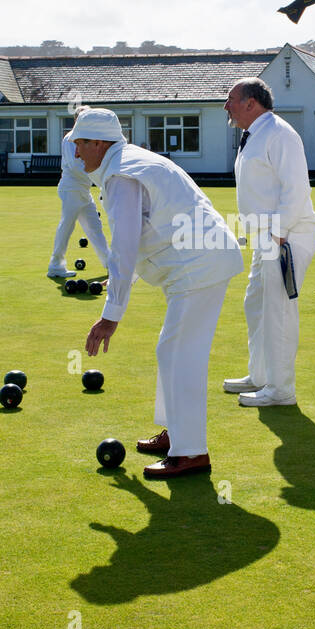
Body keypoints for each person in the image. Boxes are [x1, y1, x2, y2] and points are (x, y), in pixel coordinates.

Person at [77, 107, 243, 478]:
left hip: (198, 264)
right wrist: (123, 284)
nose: (76, 152)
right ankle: (175, 434)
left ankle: (190, 452)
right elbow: (150, 227)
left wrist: (110, 316)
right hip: (198, 260)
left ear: (99, 142)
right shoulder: (128, 162)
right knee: (173, 349)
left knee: (178, 351)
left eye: (80, 143)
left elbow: (125, 243)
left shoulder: (122, 174)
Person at [221, 78, 315, 407]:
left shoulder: (279, 133)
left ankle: (281, 390)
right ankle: (261, 376)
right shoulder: (254, 135)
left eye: (231, 99)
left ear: (251, 103)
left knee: (278, 311)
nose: (226, 106)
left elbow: (296, 189)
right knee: (257, 306)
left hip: (286, 235)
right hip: (266, 238)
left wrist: (277, 235)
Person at [48, 117, 111, 278]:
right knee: (67, 225)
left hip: (83, 190)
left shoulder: (88, 139)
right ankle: (55, 265)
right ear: (77, 120)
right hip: (71, 188)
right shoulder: (70, 139)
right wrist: (100, 178)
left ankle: (110, 264)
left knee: (94, 227)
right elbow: (76, 166)